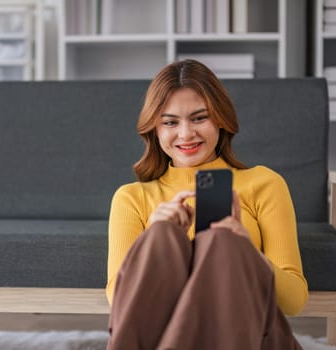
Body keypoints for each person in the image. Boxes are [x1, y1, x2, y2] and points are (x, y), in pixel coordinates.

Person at [106, 59, 308, 350]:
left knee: (223, 242)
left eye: (199, 118)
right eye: (170, 122)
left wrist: (247, 253)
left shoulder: (264, 183)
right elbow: (118, 299)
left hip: (251, 337)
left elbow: (294, 301)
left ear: (221, 119)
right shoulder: (132, 197)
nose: (186, 134)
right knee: (162, 237)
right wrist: (153, 235)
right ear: (155, 129)